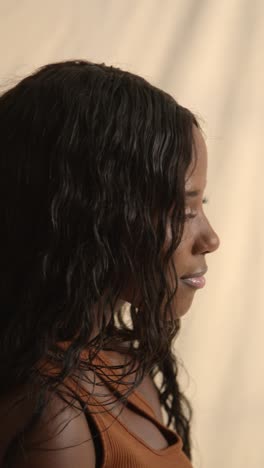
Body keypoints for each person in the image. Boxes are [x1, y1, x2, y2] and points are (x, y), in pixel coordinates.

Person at [0, 59, 220, 468]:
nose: (210, 240)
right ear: (90, 217)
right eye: (182, 210)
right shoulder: (56, 419)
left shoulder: (118, 362)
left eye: (199, 204)